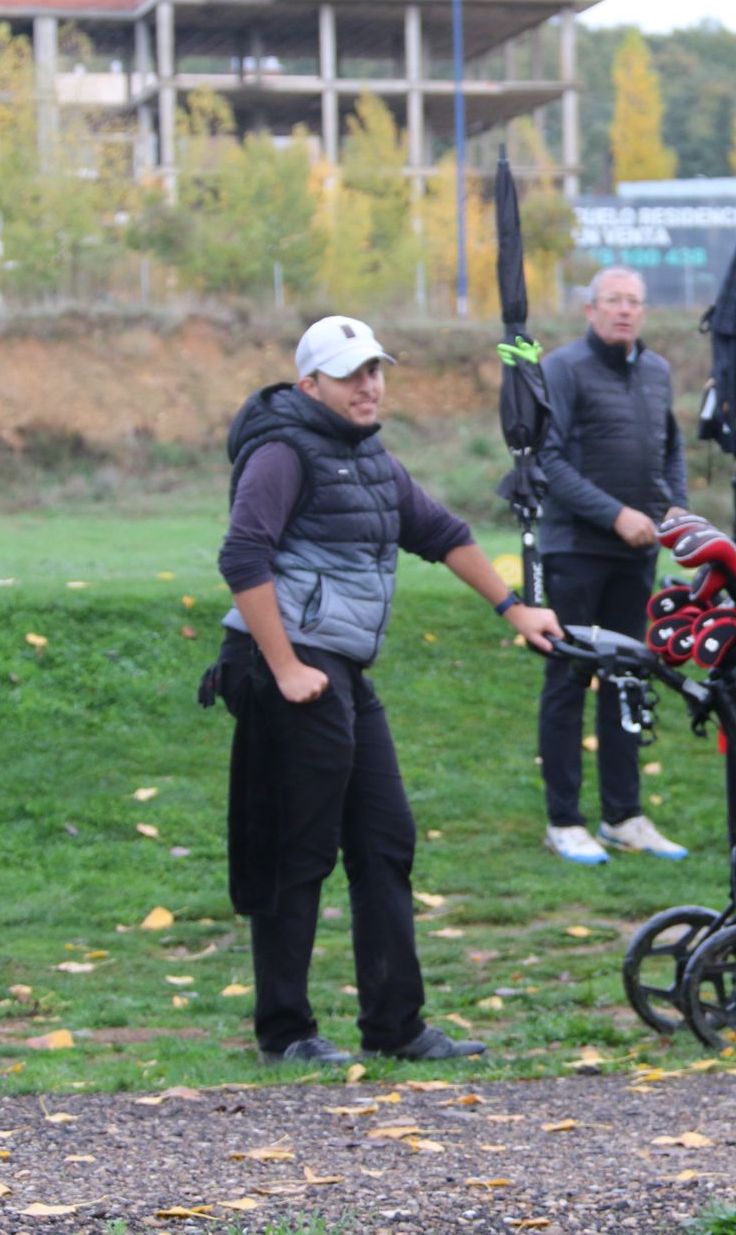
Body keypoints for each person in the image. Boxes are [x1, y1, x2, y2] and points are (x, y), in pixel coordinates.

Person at [210, 314, 561, 1067]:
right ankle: (286, 1034)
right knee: (297, 852)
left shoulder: (368, 455)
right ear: (311, 385)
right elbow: (243, 555)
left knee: (384, 839)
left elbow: (442, 531)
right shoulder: (281, 450)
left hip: (339, 668)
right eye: (351, 374)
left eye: (375, 370)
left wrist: (513, 608)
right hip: (287, 666)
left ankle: (396, 1026)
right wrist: (283, 668)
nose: (369, 385)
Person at [534, 266, 691, 865]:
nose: (625, 311)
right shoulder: (563, 368)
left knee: (629, 679)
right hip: (574, 550)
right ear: (590, 308)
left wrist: (673, 513)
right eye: (613, 301)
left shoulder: (657, 372)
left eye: (635, 302)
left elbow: (668, 452)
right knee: (569, 679)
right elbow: (546, 461)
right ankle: (563, 820)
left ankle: (624, 816)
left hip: (637, 556)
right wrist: (615, 514)